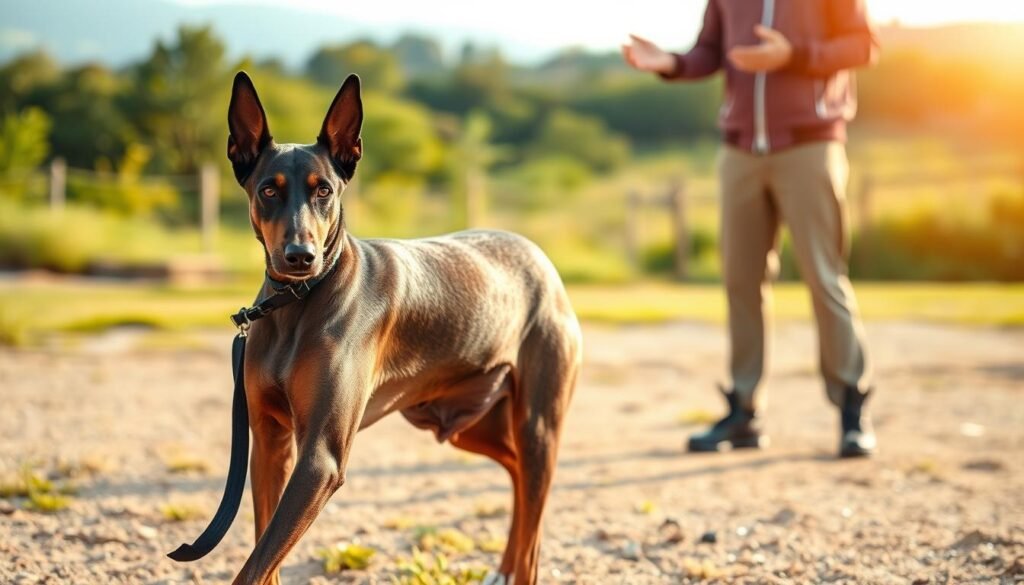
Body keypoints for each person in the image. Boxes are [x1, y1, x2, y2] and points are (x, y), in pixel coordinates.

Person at [622, 0, 878, 457]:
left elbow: (862, 45)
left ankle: (851, 408)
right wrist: (671, 64)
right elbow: (710, 51)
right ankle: (744, 411)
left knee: (824, 276)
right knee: (741, 280)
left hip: (809, 143)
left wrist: (792, 55)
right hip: (739, 150)